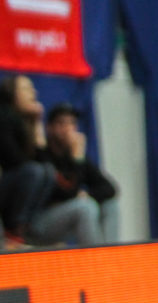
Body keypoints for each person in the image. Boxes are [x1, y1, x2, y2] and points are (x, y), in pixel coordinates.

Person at [0, 74, 58, 244]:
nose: (34, 93)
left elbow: (48, 166)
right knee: (34, 171)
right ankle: (15, 227)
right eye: (26, 89)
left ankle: (29, 226)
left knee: (47, 172)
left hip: (11, 184)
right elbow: (16, 160)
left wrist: (38, 128)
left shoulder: (24, 123)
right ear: (11, 94)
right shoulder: (0, 118)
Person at [37, 103, 117, 245]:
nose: (68, 129)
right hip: (41, 221)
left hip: (69, 215)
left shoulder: (75, 155)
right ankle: (94, 263)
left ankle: (109, 258)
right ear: (49, 127)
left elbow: (110, 188)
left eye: (72, 123)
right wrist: (77, 161)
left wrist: (88, 195)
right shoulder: (42, 155)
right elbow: (66, 193)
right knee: (86, 207)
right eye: (61, 123)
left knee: (109, 204)